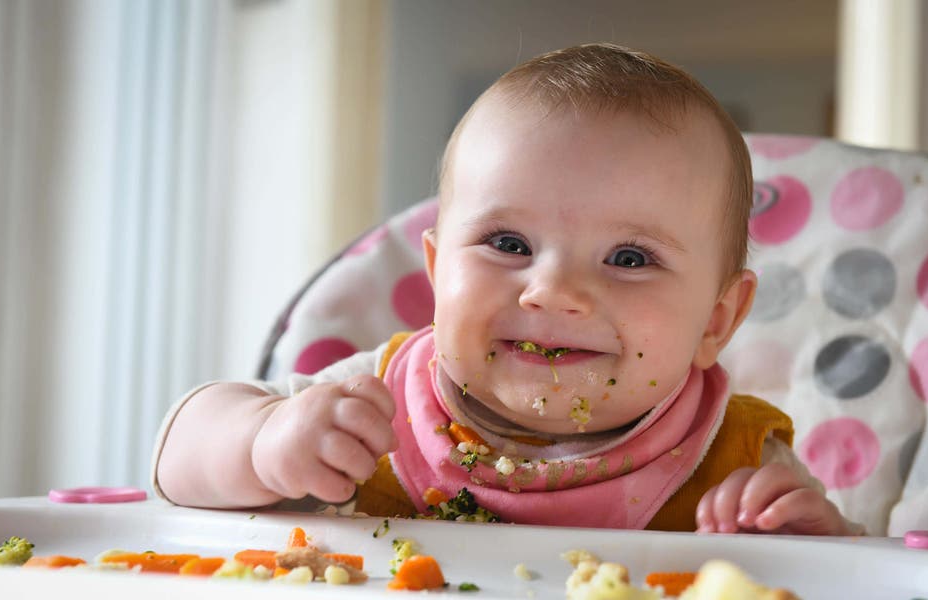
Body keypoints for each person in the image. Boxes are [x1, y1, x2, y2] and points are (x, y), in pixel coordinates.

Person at [153, 43, 862, 535]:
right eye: (510, 245)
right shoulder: (375, 407)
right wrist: (261, 442)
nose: (553, 292)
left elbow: (854, 576)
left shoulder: (731, 457)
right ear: (436, 274)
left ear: (717, 320)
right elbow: (176, 462)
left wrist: (810, 540)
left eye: (628, 256)